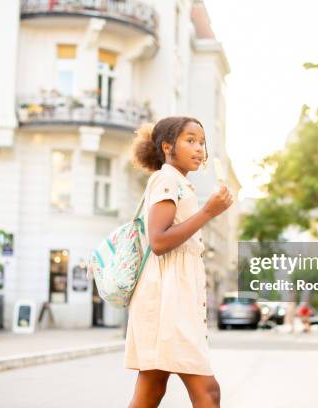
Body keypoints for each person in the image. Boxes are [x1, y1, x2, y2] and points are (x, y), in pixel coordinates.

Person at [125, 117, 233, 408]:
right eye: (190, 140)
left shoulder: (179, 183)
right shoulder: (166, 178)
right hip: (167, 299)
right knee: (207, 391)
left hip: (172, 296)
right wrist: (209, 212)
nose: (199, 148)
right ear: (167, 146)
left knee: (150, 390)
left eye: (202, 142)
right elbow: (158, 241)